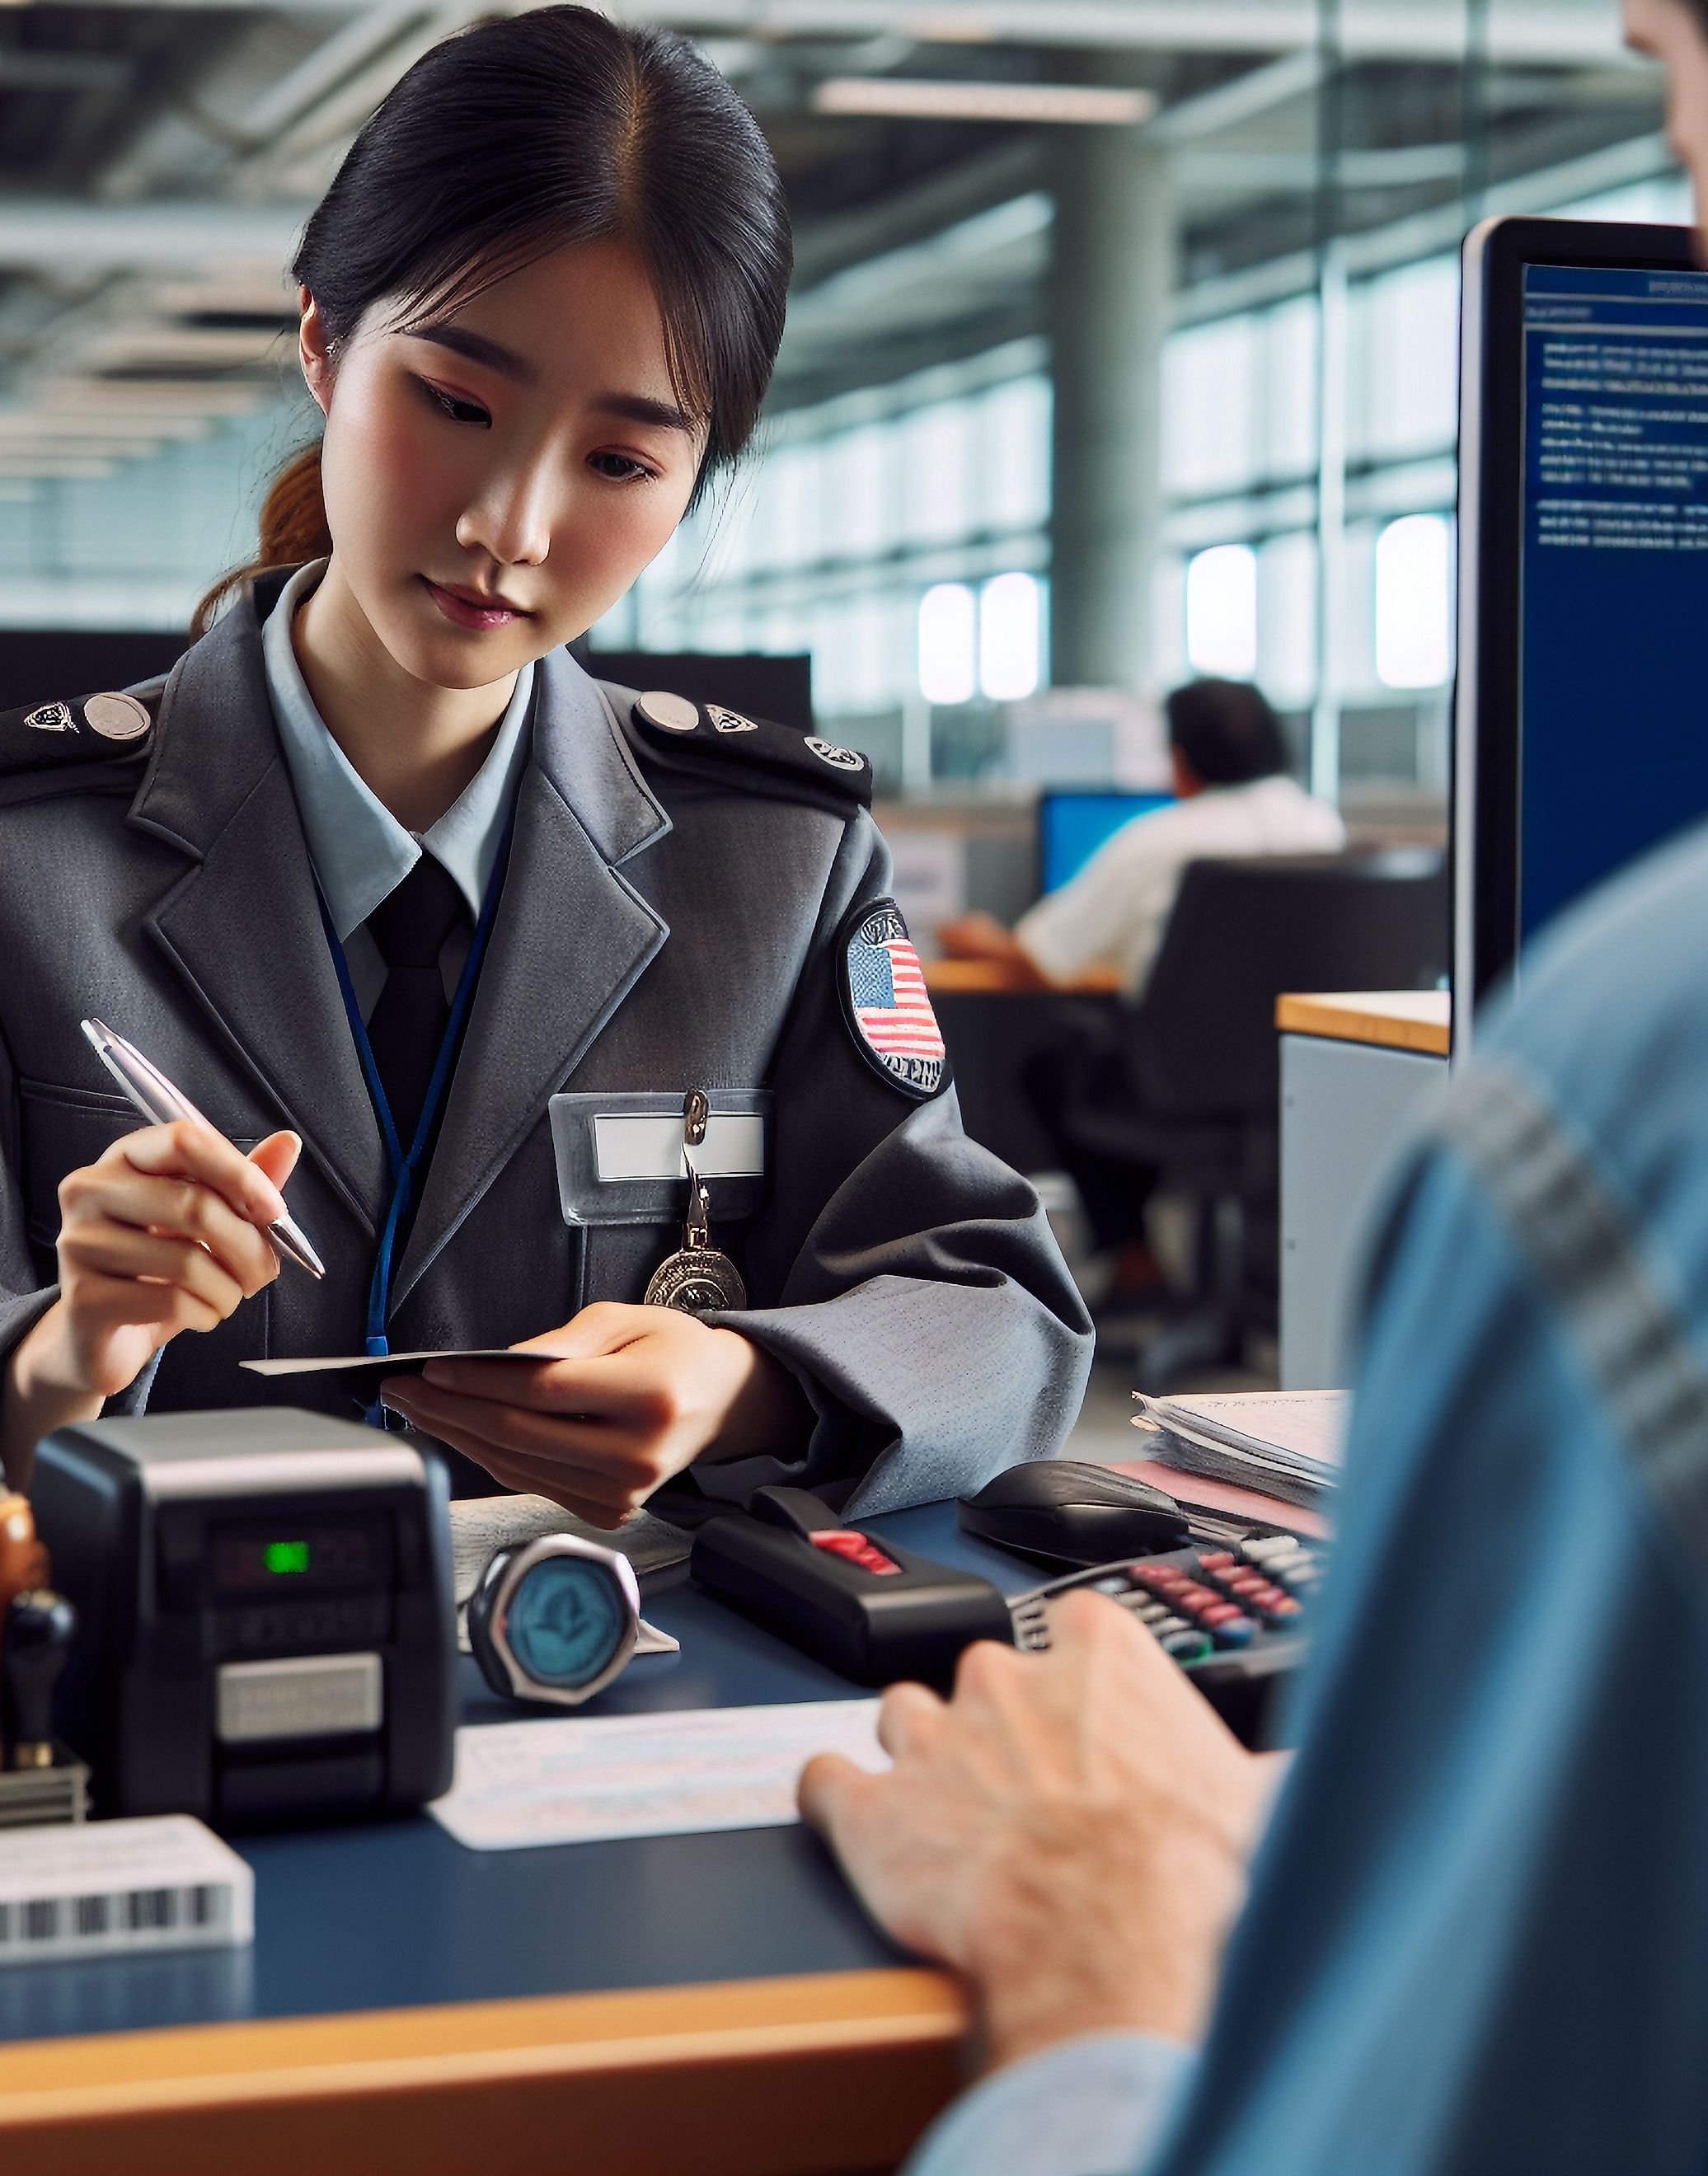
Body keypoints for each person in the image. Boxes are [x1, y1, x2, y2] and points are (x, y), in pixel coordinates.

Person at [0, 7, 1093, 1521]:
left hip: (628, 1698)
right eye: (457, 405)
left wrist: (747, 1384)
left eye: (619, 461)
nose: (511, 529)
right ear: (325, 341)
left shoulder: (779, 861)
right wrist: (56, 1359)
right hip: (154, 1711)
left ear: (694, 479)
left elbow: (999, 1318)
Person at [800, 13, 1708, 2163]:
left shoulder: (1624, 1085)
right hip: (1272, 1103)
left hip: (1140, 1115)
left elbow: (1043, 974)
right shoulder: (1327, 834)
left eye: (1682, 97)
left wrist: (1108, 1953)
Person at [939, 679, 1344, 1001]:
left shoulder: (1161, 840)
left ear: (1181, 759)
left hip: (1175, 1073)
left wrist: (976, 939)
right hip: (1298, 1069)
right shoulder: (1324, 829)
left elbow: (1042, 961)